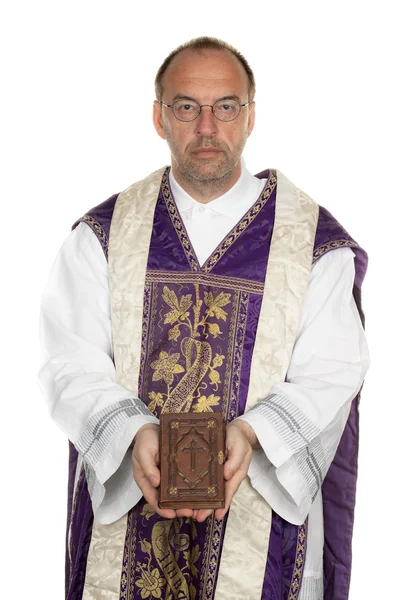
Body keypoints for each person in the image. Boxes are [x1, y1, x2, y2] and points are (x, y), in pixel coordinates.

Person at [38, 37, 369, 600]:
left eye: (227, 106)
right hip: (127, 533)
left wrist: (253, 433)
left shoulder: (312, 241)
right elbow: (69, 360)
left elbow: (335, 370)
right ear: (159, 117)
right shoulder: (103, 234)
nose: (208, 126)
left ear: (251, 116)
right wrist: (132, 433)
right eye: (187, 106)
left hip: (261, 531)